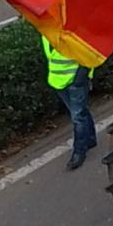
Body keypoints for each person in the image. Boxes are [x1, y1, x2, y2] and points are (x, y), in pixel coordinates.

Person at [42, 36, 97, 170]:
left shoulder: (73, 32)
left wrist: (81, 77)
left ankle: (79, 152)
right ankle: (90, 139)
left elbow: (89, 54)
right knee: (79, 112)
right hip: (58, 81)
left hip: (75, 81)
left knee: (77, 116)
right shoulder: (47, 33)